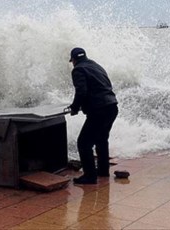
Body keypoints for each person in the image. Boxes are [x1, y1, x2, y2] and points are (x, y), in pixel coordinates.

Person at [67, 47, 118, 184]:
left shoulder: (78, 69)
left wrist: (74, 108)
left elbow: (81, 91)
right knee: (101, 140)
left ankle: (90, 176)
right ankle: (103, 171)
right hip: (112, 107)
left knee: (83, 143)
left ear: (74, 60)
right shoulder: (96, 66)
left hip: (99, 110)